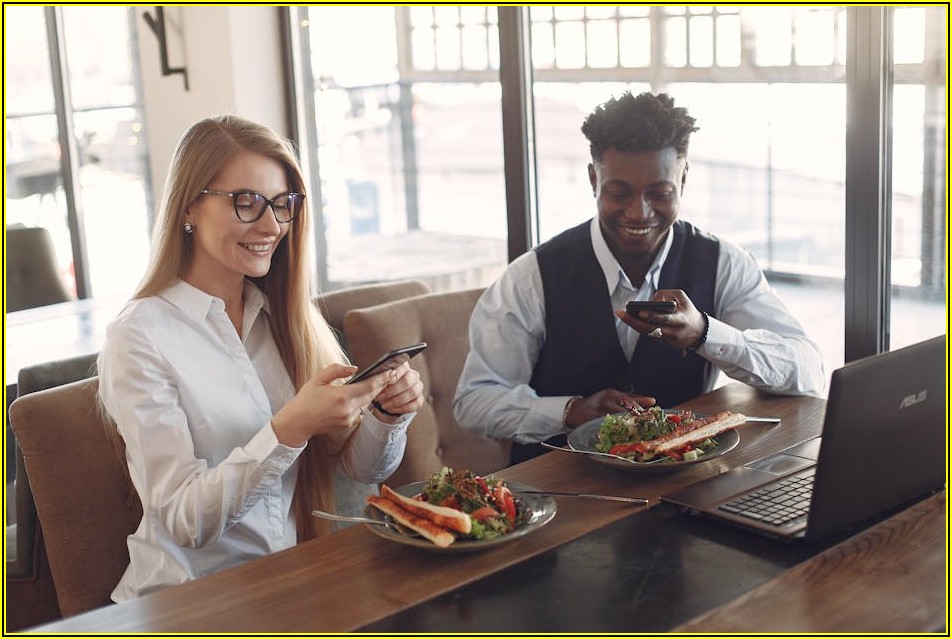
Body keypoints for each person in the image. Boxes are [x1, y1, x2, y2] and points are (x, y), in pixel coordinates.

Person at [97, 115, 424, 601]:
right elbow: (184, 522)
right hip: (185, 603)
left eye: (281, 204)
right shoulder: (139, 336)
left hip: (285, 586)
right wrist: (288, 429)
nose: (272, 226)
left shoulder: (286, 319)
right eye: (246, 203)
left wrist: (386, 415)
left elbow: (362, 469)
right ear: (189, 206)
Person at [453, 91, 824, 465]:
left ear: (684, 178)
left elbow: (806, 371)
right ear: (593, 178)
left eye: (660, 193)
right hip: (560, 485)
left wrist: (704, 334)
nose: (639, 212)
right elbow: (474, 402)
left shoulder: (724, 263)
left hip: (684, 482)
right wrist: (570, 411)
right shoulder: (531, 276)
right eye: (619, 192)